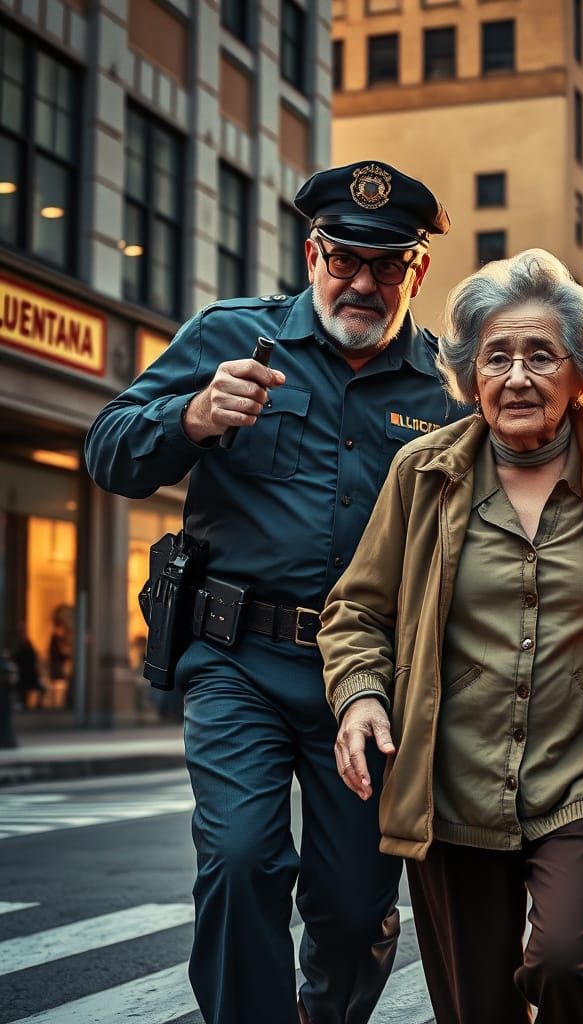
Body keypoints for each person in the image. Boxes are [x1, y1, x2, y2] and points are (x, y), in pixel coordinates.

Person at [84, 161, 467, 1024]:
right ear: (311, 252)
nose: (361, 282)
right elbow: (107, 450)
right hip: (238, 661)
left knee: (350, 905)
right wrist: (190, 416)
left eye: (386, 265)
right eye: (343, 259)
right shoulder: (230, 335)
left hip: (369, 685)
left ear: (418, 271)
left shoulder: (449, 386)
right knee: (241, 861)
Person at [319, 249, 583, 1024]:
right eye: (496, 356)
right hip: (454, 786)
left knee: (566, 963)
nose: (518, 377)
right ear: (470, 375)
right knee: (477, 1009)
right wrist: (362, 697)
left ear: (580, 373)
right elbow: (358, 609)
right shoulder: (420, 473)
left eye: (541, 355)